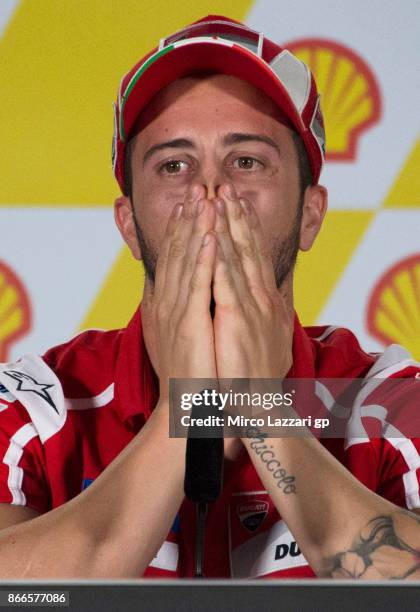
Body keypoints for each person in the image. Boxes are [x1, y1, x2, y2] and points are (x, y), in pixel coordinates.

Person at [0, 14, 419, 580]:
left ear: (310, 215)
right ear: (128, 223)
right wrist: (187, 408)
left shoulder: (389, 400)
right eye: (175, 165)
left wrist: (259, 410)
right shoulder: (31, 407)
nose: (210, 194)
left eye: (246, 161)